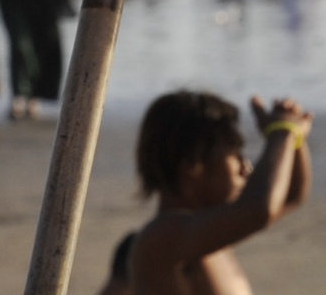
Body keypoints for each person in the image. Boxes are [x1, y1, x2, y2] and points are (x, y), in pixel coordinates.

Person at [100, 90, 313, 295]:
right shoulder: (160, 239)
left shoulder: (208, 236)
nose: (246, 167)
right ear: (193, 166)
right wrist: (282, 131)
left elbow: (291, 195)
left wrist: (294, 138)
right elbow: (260, 209)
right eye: (234, 154)